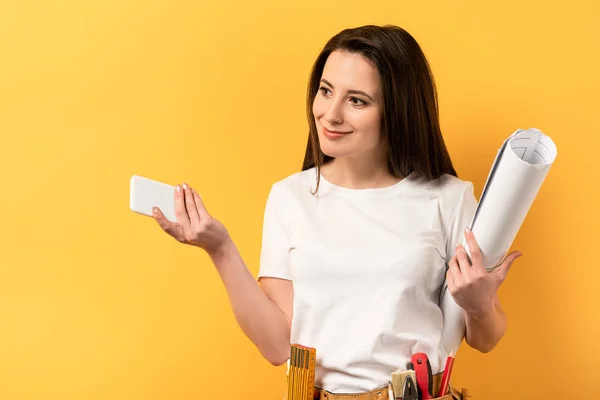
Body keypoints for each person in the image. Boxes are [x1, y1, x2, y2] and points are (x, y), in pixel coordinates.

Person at [151, 24, 523, 398]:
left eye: (357, 100)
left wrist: (478, 306)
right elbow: (277, 346)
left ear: (397, 112)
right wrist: (220, 248)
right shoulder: (290, 197)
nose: (330, 114)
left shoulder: (448, 198)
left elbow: (486, 338)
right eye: (326, 91)